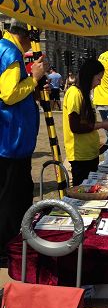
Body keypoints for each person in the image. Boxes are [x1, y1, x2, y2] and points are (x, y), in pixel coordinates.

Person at [0, 19, 47, 259]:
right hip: (11, 139)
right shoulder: (9, 52)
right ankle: (8, 247)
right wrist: (34, 78)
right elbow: (8, 95)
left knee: (15, 192)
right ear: (24, 36)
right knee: (12, 196)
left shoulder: (6, 49)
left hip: (12, 138)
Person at [63, 59, 108, 186]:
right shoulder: (74, 93)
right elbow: (76, 126)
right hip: (81, 156)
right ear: (89, 76)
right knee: (82, 191)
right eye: (98, 79)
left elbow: (86, 122)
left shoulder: (84, 93)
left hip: (90, 153)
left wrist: (103, 122)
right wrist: (102, 125)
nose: (99, 83)